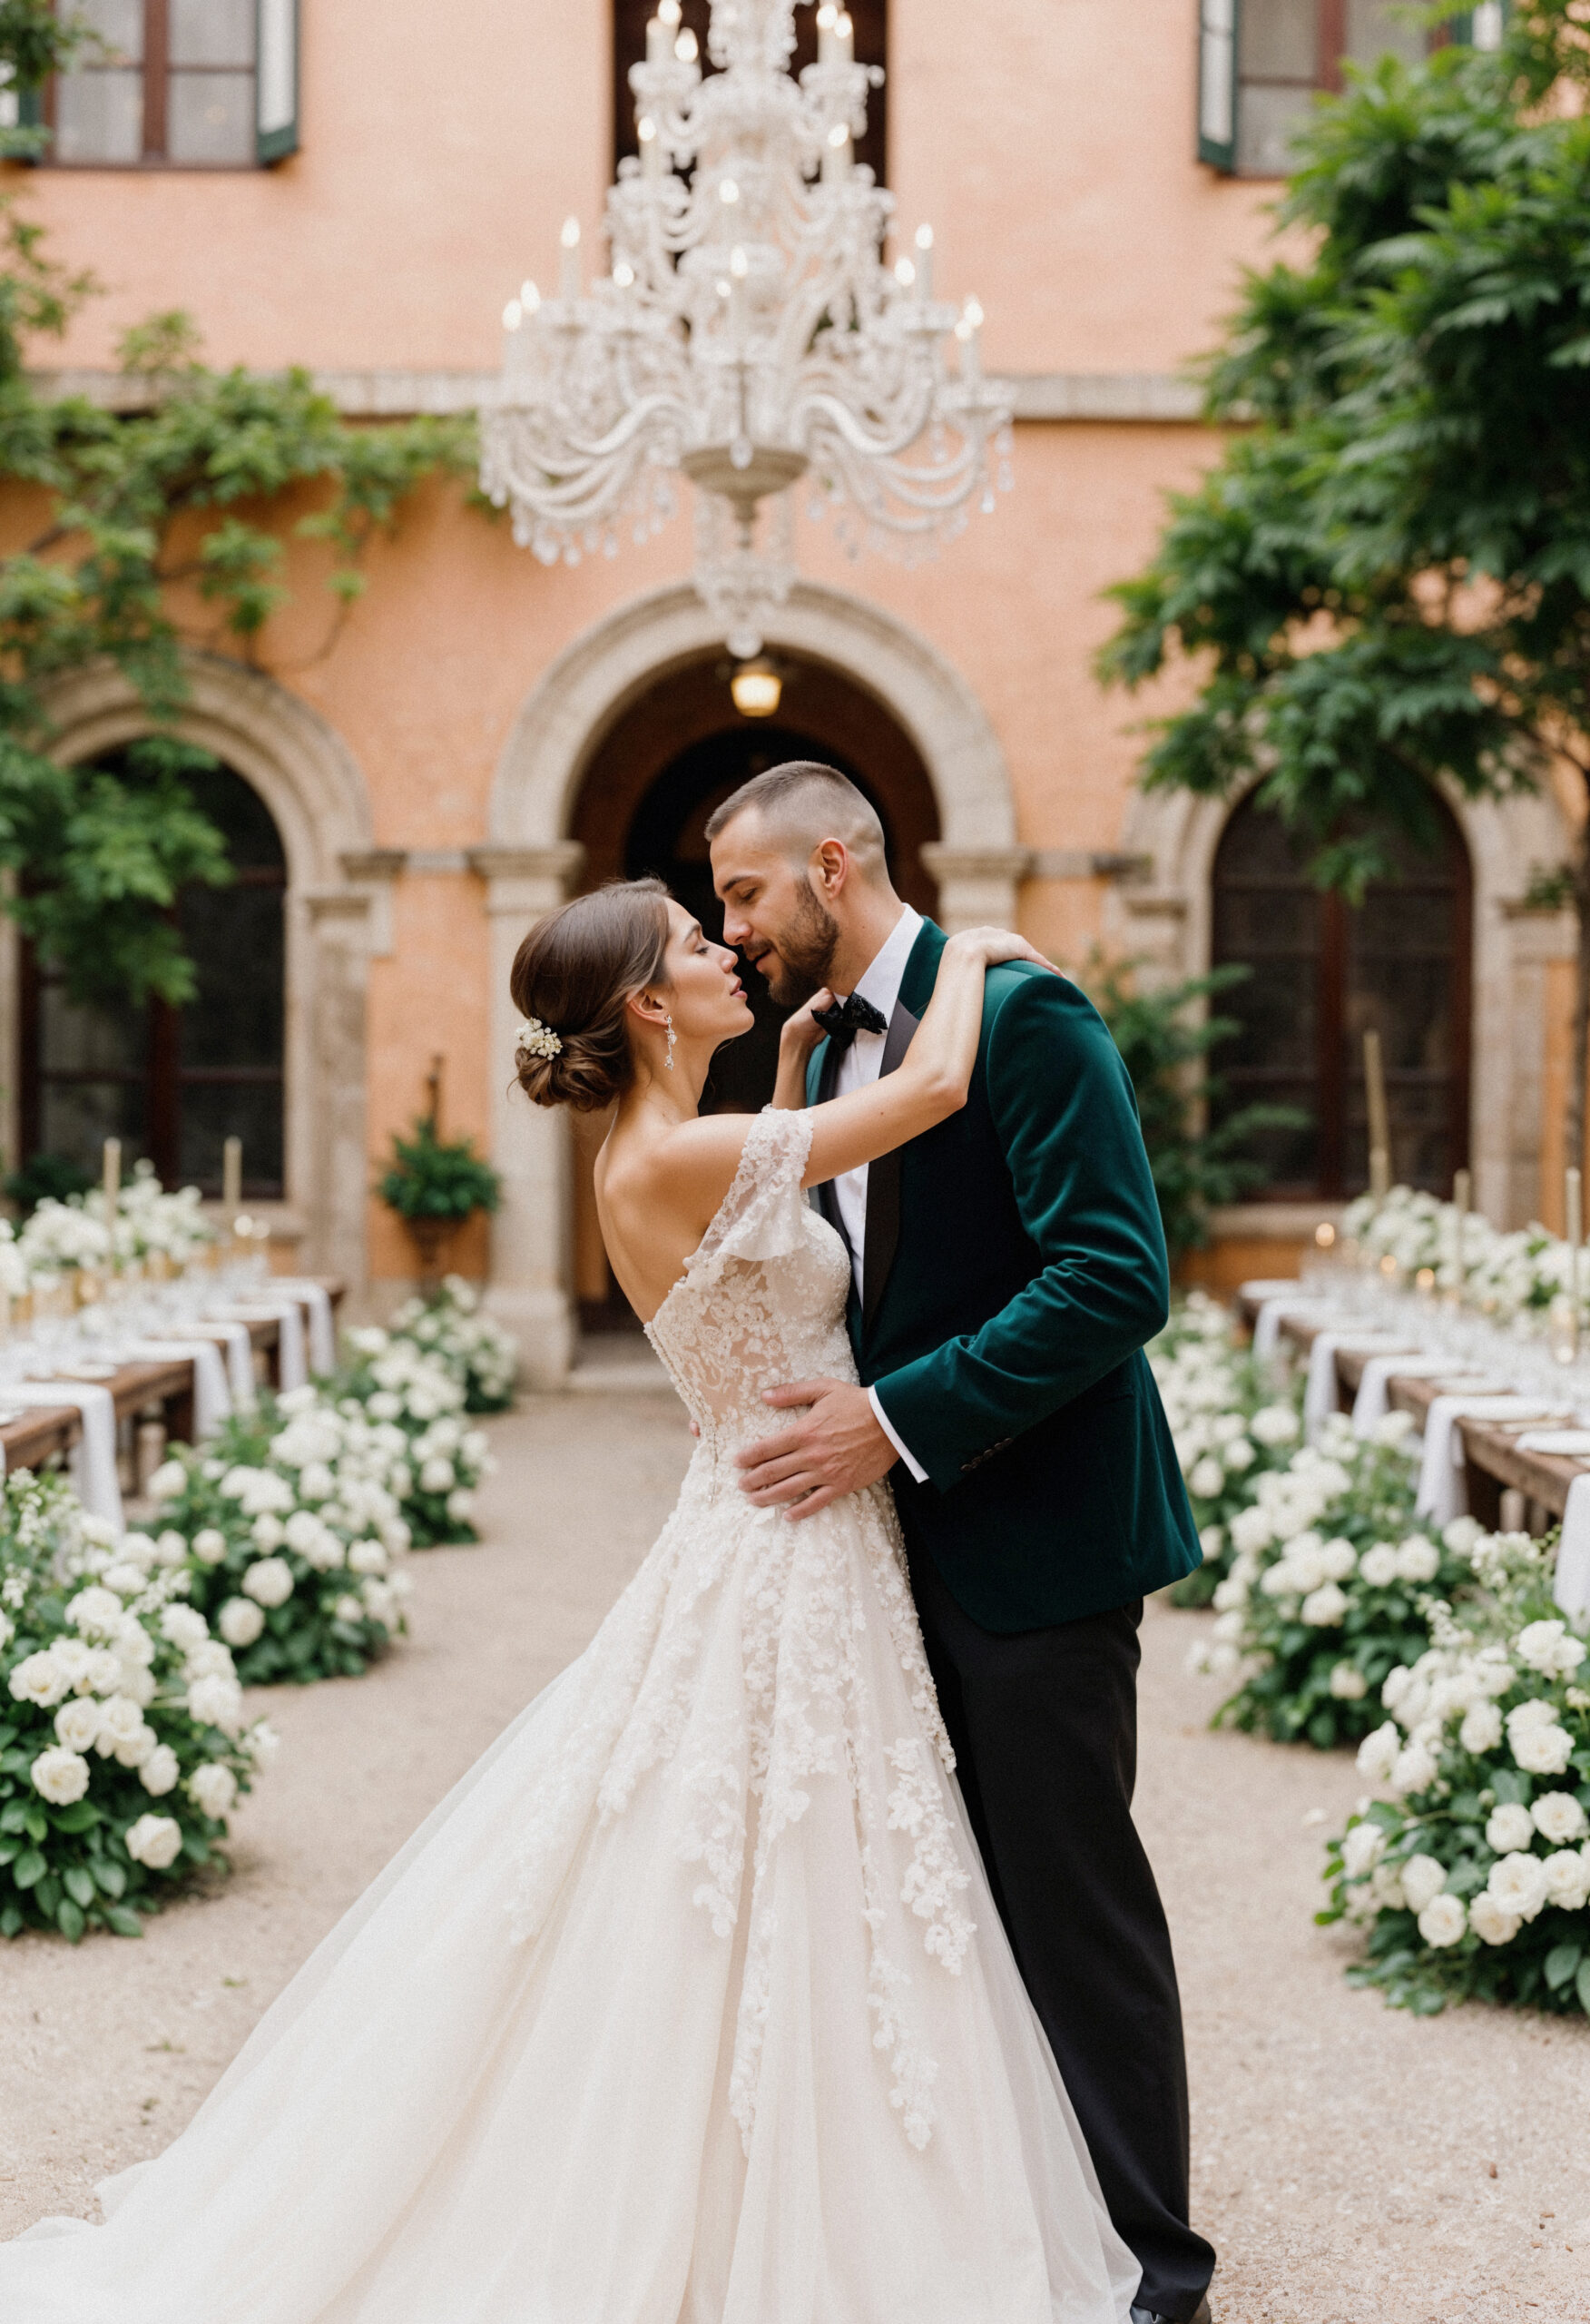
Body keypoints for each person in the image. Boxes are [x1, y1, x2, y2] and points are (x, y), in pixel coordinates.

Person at [0, 876, 1142, 2324]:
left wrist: (789, 1057)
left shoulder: (673, 1148)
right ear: (653, 1006)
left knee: (791, 1851)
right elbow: (935, 1081)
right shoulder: (685, 1159)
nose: (730, 947)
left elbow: (755, 1246)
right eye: (695, 942)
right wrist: (970, 945)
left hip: (783, 1517)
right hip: (788, 1542)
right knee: (791, 1847)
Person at [707, 763, 1215, 2324]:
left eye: (744, 893)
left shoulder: (1028, 1011)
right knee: (938, 1909)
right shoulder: (837, 1053)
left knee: (1068, 1900)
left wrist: (891, 1419)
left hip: (1037, 1536)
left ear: (834, 866)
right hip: (876, 1555)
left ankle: (1152, 2264)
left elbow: (1116, 1277)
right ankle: (1006, 2223)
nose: (732, 932)